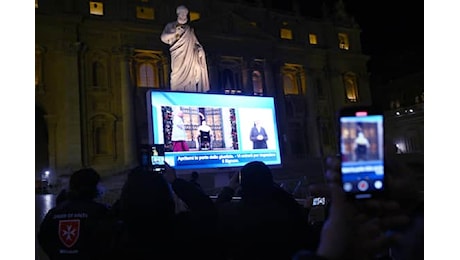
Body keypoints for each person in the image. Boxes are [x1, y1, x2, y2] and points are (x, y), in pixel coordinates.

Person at [215, 161, 312, 260]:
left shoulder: (231, 214)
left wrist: (229, 188)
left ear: (242, 185)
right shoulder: (287, 210)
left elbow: (215, 211)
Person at [37, 168, 112, 260]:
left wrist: (56, 254)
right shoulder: (100, 211)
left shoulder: (54, 212)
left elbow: (43, 237)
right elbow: (109, 240)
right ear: (94, 187)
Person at [160, 5, 210, 92]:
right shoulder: (171, 25)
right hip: (177, 54)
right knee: (176, 74)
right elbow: (163, 38)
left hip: (189, 58)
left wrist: (200, 50)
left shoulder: (189, 29)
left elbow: (195, 43)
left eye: (185, 14)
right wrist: (175, 33)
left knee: (191, 76)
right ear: (178, 14)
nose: (183, 15)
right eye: (182, 13)